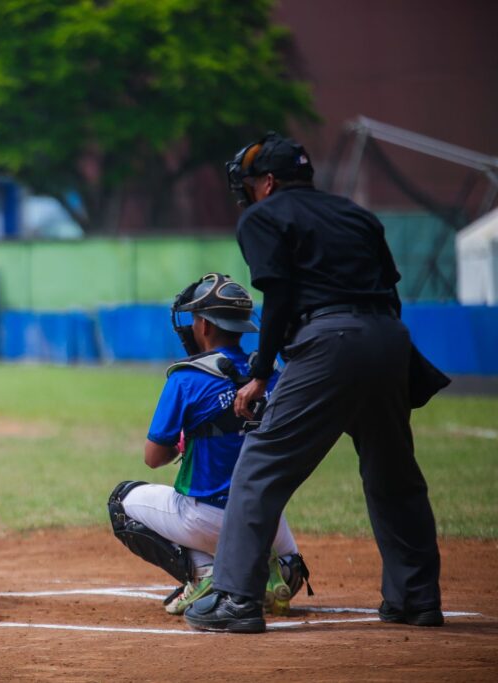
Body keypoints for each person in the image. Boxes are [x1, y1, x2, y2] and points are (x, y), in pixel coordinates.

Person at [184, 133, 442, 633]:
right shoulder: (356, 214)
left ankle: (236, 598)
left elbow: (278, 296)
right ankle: (418, 599)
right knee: (394, 476)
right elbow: (389, 294)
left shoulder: (263, 217)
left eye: (251, 182)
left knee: (261, 465)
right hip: (389, 339)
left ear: (270, 182)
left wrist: (260, 373)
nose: (248, 191)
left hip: (328, 340)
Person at [108, 273, 310, 617]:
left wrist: (183, 443)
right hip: (267, 518)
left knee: (121, 502)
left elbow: (153, 458)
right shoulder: (271, 376)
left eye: (195, 317)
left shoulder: (187, 377)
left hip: (208, 517)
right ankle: (281, 571)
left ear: (204, 326)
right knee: (281, 546)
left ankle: (205, 573)